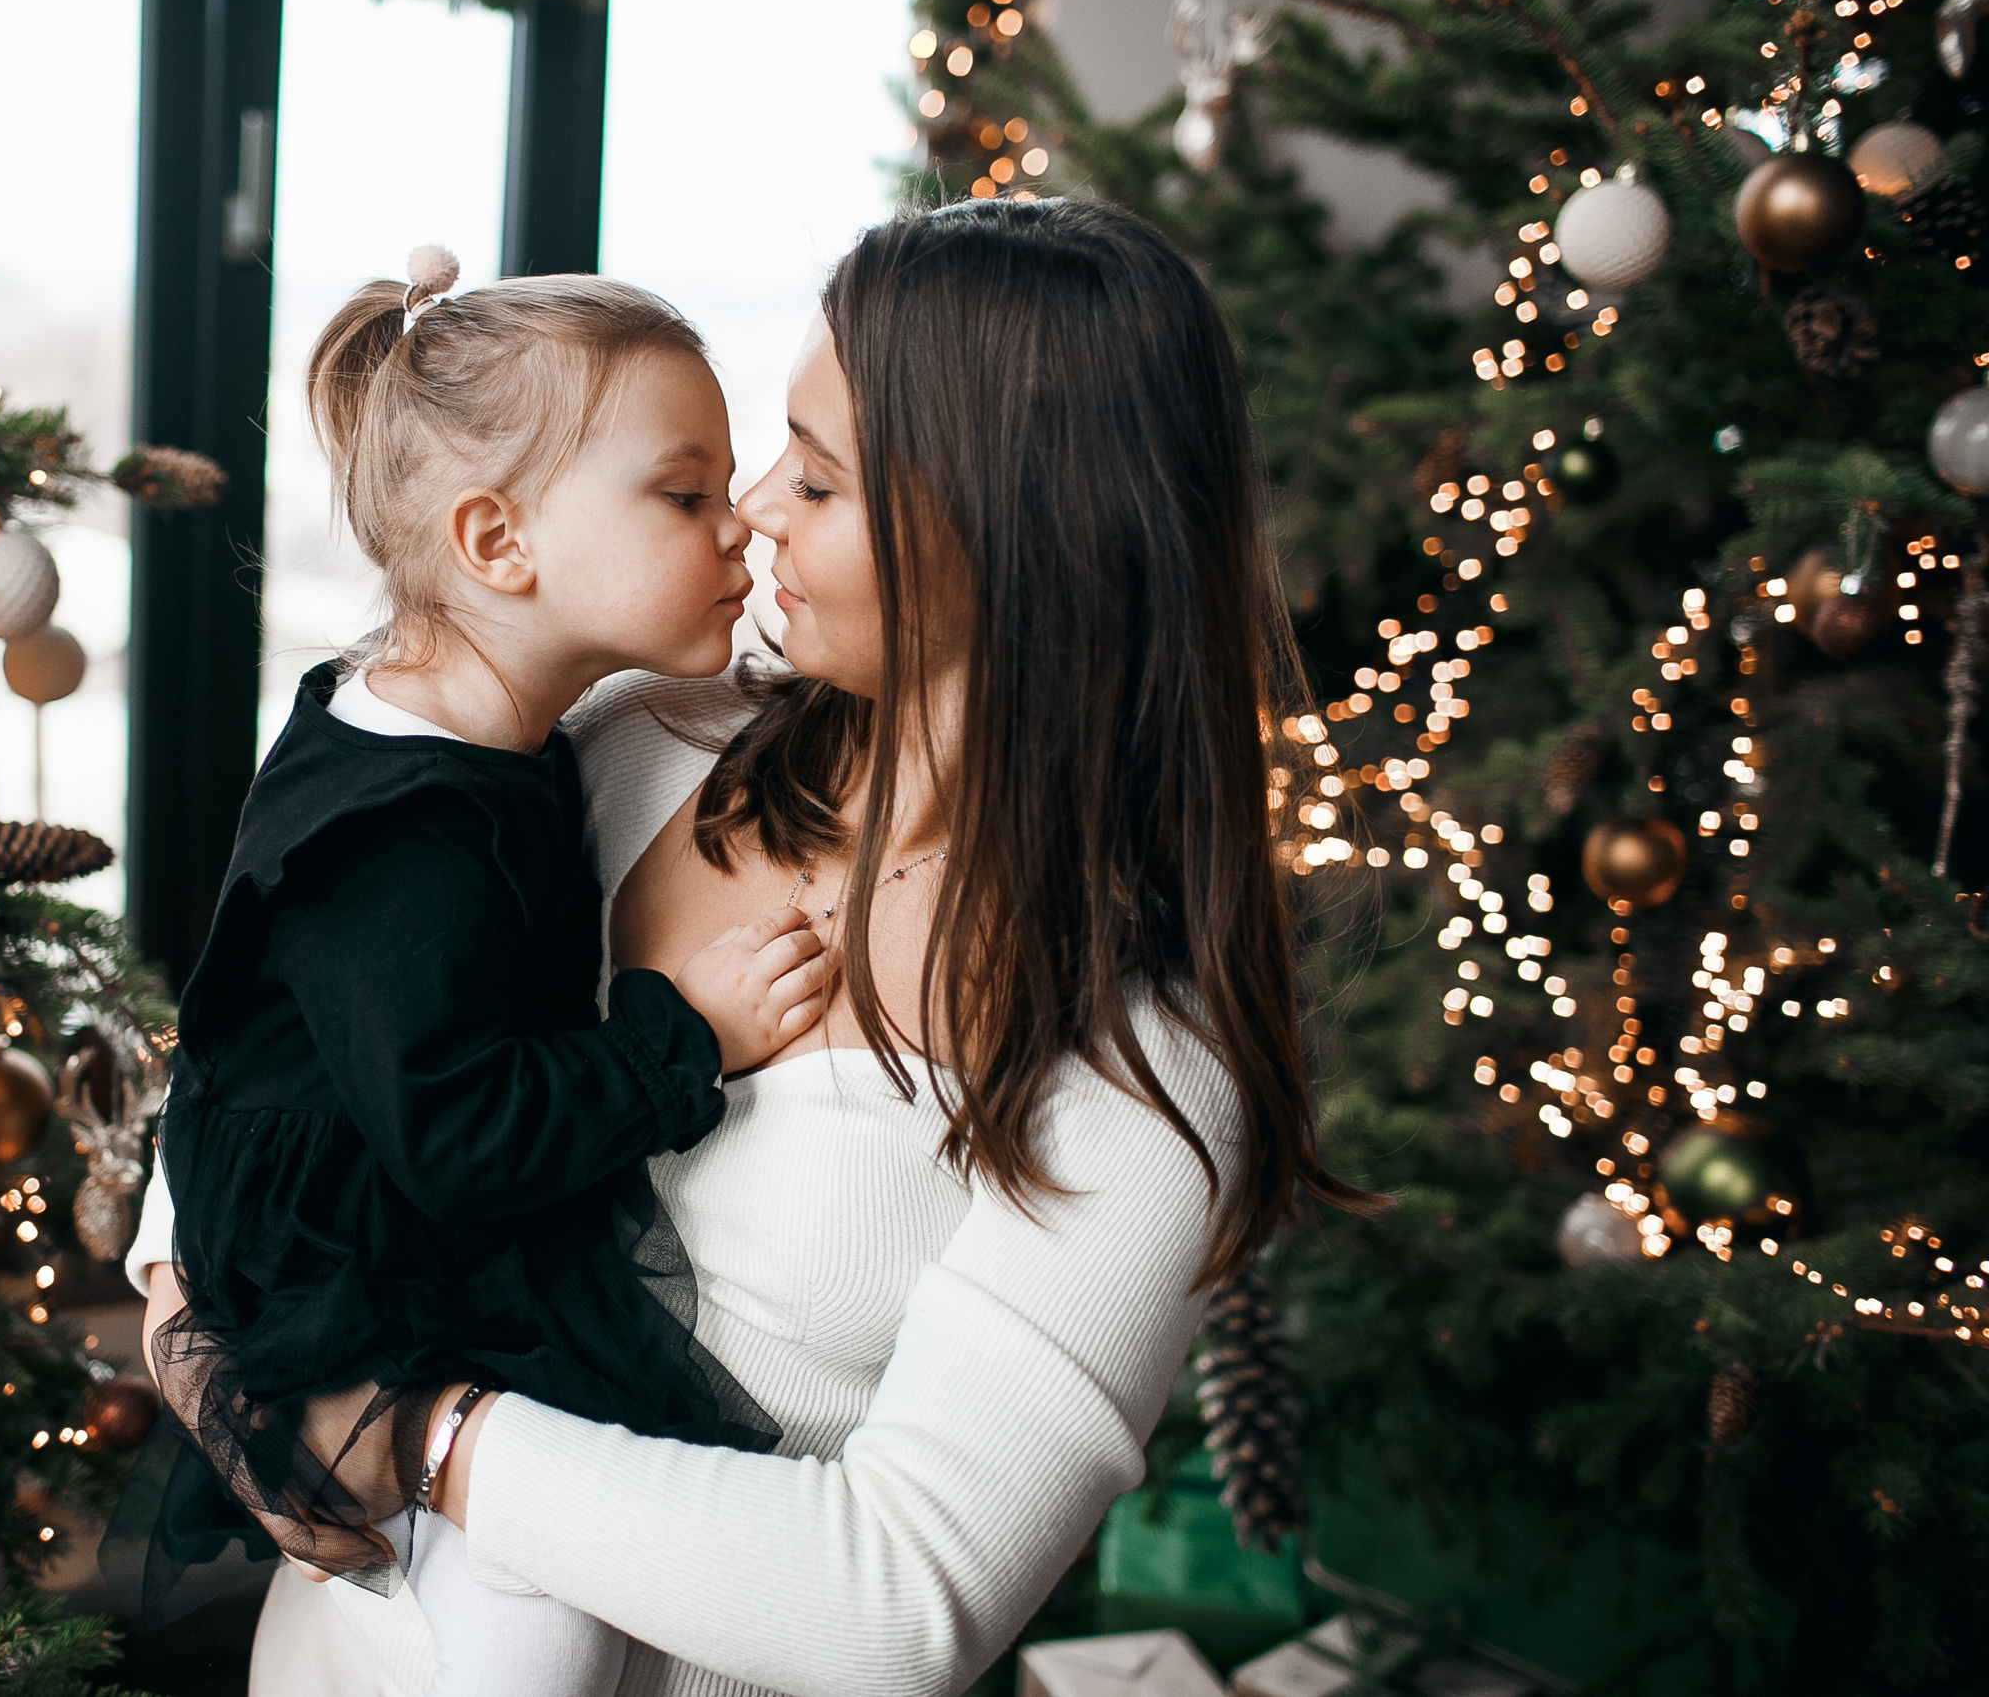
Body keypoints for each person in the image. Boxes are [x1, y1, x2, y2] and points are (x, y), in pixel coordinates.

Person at [130, 197, 1378, 1696]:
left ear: (1020, 532)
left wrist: (416, 1437)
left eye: (822, 477)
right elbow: (301, 1035)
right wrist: (192, 1328)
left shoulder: (1140, 1064)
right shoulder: (625, 746)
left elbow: (899, 1608)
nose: (760, 511)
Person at [137, 248, 831, 1697]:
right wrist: (679, 1033)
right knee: (546, 1635)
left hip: (392, 1202)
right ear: (499, 544)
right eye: (685, 495)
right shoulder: (406, 838)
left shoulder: (454, 713)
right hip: (358, 1266)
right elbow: (454, 1130)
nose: (742, 530)